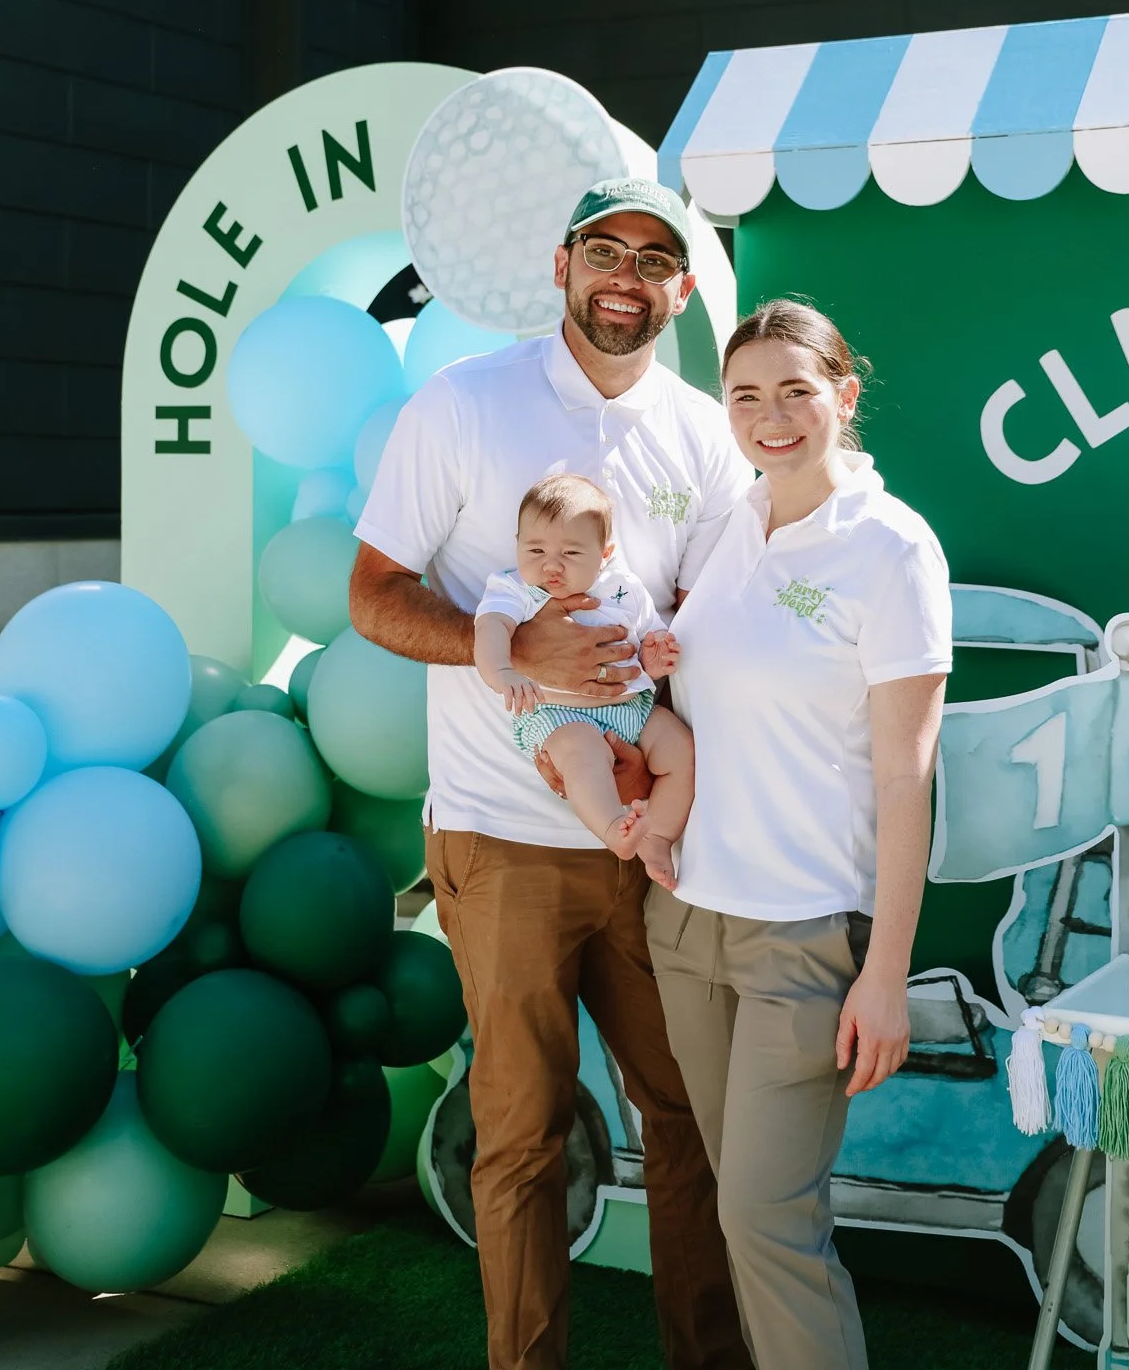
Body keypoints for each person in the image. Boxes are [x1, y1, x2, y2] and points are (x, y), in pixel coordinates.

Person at [350, 175, 754, 1370]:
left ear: (683, 285)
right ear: (563, 262)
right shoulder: (464, 402)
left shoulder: (700, 430)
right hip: (503, 833)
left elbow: (716, 617)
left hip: (657, 838)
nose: (626, 275)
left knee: (688, 1122)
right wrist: (512, 643)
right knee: (523, 1133)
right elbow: (373, 595)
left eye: (655, 257)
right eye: (605, 249)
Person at [646, 297, 951, 1370]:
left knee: (768, 1223)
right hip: (686, 922)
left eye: (795, 390)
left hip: (803, 943)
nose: (770, 416)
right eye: (746, 395)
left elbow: (906, 777)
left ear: (843, 395)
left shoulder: (891, 547)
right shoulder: (732, 525)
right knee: (741, 1204)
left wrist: (887, 973)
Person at [474, 471, 691, 885]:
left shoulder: (624, 587)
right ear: (517, 544)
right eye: (534, 548)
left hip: (633, 707)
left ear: (605, 553)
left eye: (571, 553)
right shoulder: (517, 588)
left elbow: (646, 636)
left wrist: (656, 653)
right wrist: (501, 671)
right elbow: (490, 629)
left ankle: (658, 836)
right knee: (583, 755)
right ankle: (613, 827)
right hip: (559, 714)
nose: (550, 565)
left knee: (682, 748)